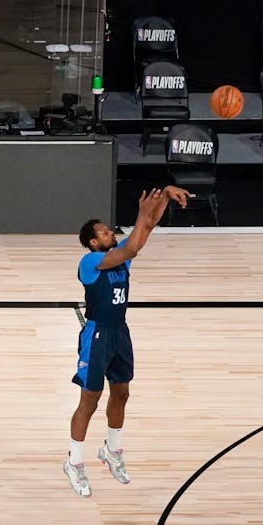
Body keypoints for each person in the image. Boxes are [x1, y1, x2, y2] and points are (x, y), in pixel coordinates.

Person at [63, 185, 189, 497]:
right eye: (105, 232)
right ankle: (74, 462)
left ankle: (111, 450)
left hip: (120, 332)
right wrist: (142, 213)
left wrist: (163, 198)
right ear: (94, 242)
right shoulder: (90, 263)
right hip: (97, 334)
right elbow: (132, 246)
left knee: (121, 394)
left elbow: (144, 230)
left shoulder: (121, 258)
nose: (110, 232)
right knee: (89, 402)